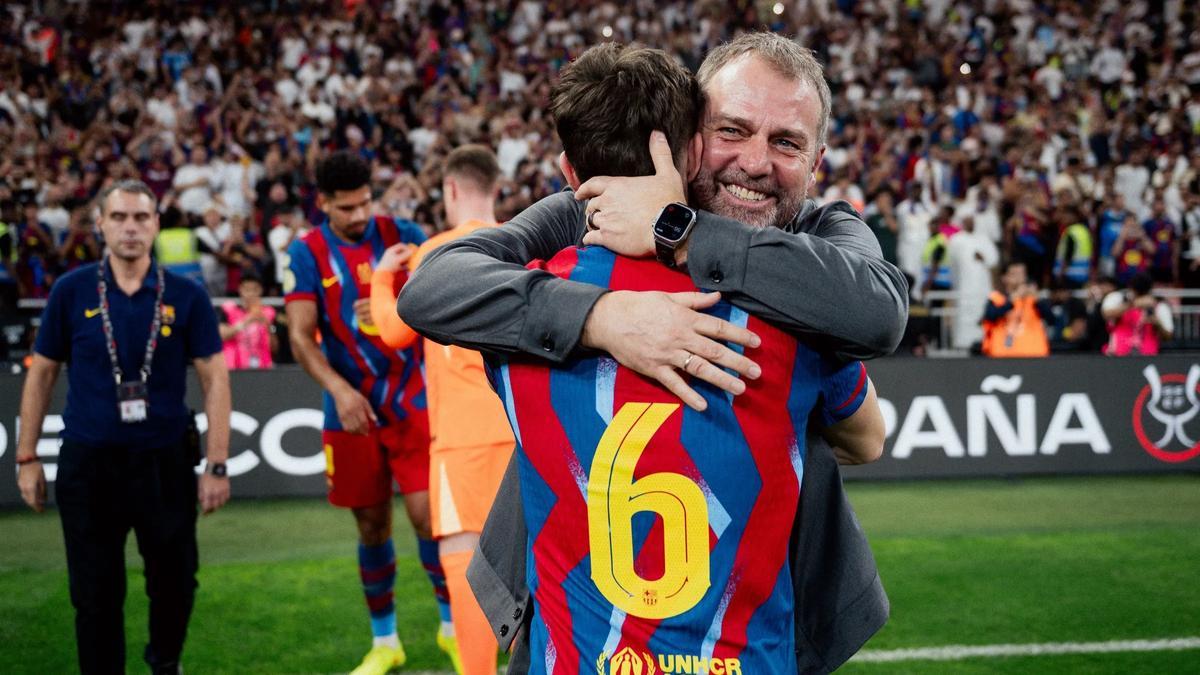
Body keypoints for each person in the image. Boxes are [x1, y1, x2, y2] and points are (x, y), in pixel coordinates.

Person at [399, 33, 904, 673]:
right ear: (691, 138)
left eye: (785, 142)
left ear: (817, 160)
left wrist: (678, 230)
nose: (754, 162)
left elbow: (878, 313)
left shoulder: (820, 245)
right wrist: (603, 316)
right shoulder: (586, 217)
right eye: (733, 130)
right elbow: (435, 286)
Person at [14, 179, 231, 674]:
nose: (130, 227)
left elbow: (215, 377)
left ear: (156, 224)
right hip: (90, 465)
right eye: (119, 218)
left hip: (166, 461)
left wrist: (216, 463)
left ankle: (165, 662)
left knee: (176, 582)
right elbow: (41, 372)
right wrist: (26, 457)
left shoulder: (186, 295)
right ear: (100, 225)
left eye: (140, 218)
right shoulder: (71, 291)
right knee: (93, 593)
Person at [282, 150, 457, 675]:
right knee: (372, 525)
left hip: (412, 399)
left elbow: (436, 301)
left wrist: (393, 304)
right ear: (323, 204)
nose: (358, 216)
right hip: (351, 408)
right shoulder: (307, 252)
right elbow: (299, 335)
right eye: (345, 208)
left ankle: (451, 629)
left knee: (429, 518)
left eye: (363, 203)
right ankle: (386, 642)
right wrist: (338, 390)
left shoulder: (401, 231)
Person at [369, 145, 514, 675]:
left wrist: (382, 279)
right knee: (533, 564)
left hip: (463, 439)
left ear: (450, 189)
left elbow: (392, 331)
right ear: (495, 188)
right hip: (523, 430)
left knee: (465, 559)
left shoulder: (433, 252)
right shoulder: (522, 243)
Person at [947, 214, 999, 349]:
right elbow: (952, 262)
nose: (969, 223)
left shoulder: (983, 239)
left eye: (971, 220)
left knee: (982, 313)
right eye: (966, 220)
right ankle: (962, 344)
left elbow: (993, 259)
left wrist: (984, 257)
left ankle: (985, 343)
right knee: (964, 314)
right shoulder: (956, 239)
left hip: (983, 285)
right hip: (964, 285)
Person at [981, 261, 1051, 358]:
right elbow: (990, 316)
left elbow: (1052, 319)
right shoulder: (997, 299)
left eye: (1022, 274)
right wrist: (1012, 299)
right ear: (1005, 278)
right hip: (1003, 356)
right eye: (1014, 274)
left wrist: (1037, 299)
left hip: (1034, 355)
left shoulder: (1034, 299)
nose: (1019, 278)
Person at [1101, 272, 1174, 356]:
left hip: (1147, 356)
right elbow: (1106, 314)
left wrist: (1157, 323)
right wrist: (1133, 304)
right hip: (1118, 355)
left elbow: (1168, 335)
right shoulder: (1119, 298)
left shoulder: (1159, 305)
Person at [218, 271, 275, 369]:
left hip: (262, 368)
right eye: (247, 289)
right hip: (234, 368)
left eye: (255, 289)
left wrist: (268, 326)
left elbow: (274, 348)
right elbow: (222, 335)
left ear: (261, 290)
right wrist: (247, 321)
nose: (251, 294)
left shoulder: (269, 312)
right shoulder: (228, 309)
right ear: (240, 289)